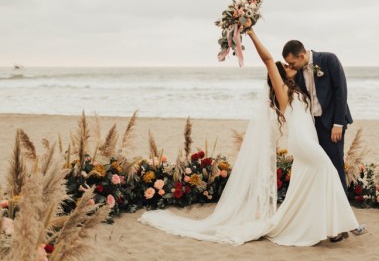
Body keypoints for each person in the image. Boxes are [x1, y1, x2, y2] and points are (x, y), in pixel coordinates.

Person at [139, 28, 359, 245]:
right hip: (302, 141)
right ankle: (343, 225)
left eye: (290, 63)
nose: (288, 66)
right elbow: (268, 59)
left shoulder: (298, 85)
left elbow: (335, 91)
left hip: (309, 138)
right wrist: (252, 33)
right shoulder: (282, 91)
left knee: (313, 181)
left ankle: (326, 226)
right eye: (285, 66)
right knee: (328, 170)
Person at [283, 40, 366, 236]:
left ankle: (343, 225)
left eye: (292, 63)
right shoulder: (297, 71)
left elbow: (341, 91)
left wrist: (338, 124)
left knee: (335, 168)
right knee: (321, 171)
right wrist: (289, 76)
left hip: (332, 125)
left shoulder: (328, 59)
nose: (291, 66)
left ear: (302, 56)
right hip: (312, 126)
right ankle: (328, 221)